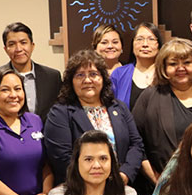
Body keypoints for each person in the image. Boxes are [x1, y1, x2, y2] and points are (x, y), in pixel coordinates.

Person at [44, 50, 145, 187]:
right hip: (80, 190)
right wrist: (98, 181)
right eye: (80, 75)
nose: (87, 80)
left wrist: (124, 174)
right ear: (71, 81)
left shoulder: (118, 107)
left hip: (121, 187)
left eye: (93, 74)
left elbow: (136, 144)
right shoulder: (60, 112)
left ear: (103, 78)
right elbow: (61, 157)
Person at [132, 38, 192, 183]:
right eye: (173, 64)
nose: (180, 68)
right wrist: (155, 178)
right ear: (164, 68)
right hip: (166, 185)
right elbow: (135, 141)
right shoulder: (149, 97)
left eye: (187, 62)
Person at [0, 22, 62, 122]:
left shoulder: (53, 77)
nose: (18, 49)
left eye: (23, 43)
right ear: (5, 49)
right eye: (12, 44)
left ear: (32, 46)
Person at [110, 21, 162, 110]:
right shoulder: (119, 74)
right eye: (139, 39)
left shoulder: (166, 73)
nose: (145, 44)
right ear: (132, 43)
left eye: (151, 39)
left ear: (159, 45)